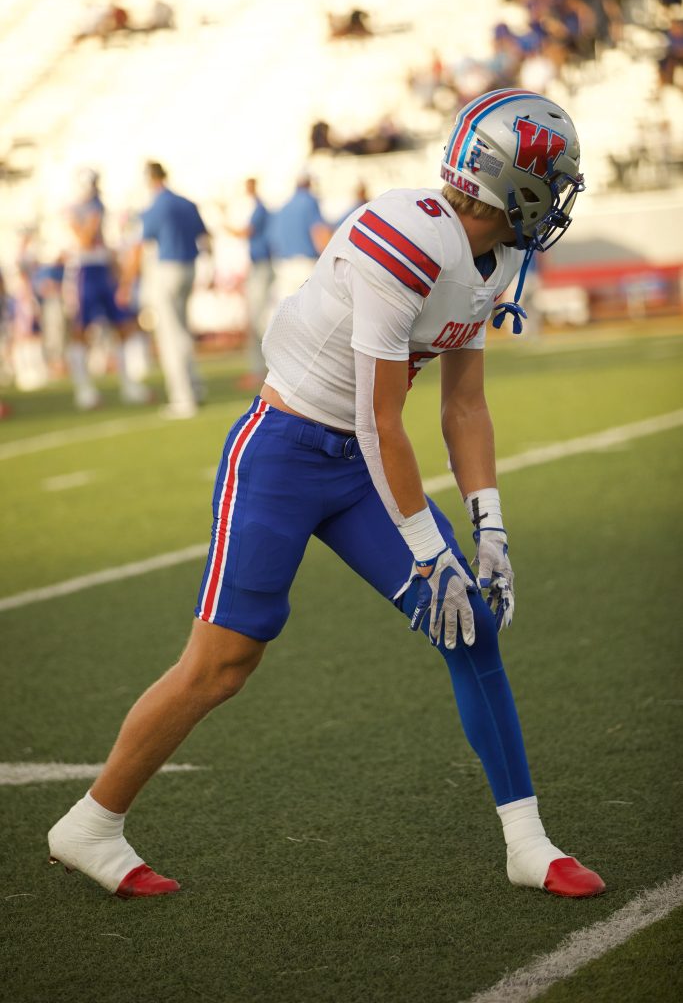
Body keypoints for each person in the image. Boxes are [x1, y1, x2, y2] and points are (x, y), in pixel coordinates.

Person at [48, 89, 605, 901]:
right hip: (284, 452)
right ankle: (90, 824)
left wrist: (489, 528)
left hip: (362, 467)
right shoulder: (405, 235)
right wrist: (429, 551)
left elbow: (462, 404)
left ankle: (526, 842)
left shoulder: (494, 256)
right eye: (550, 182)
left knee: (470, 629)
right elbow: (381, 419)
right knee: (221, 664)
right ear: (512, 184)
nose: (556, 199)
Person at [119, 162, 210, 419]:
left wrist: (126, 283)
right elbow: (204, 237)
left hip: (167, 270)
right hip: (189, 268)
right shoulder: (186, 203)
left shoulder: (156, 206)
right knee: (181, 330)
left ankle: (183, 397)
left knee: (171, 336)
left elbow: (139, 246)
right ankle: (195, 387)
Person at [63, 169, 151, 410]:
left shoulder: (97, 206)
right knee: (81, 329)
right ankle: (84, 390)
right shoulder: (76, 208)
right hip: (84, 271)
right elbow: (84, 240)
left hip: (102, 268)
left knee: (123, 325)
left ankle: (128, 384)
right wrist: (87, 221)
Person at [227, 178, 275, 390]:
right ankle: (261, 370)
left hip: (262, 266)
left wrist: (224, 224)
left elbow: (245, 232)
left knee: (257, 321)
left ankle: (261, 371)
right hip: (259, 266)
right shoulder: (260, 208)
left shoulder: (260, 209)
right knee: (257, 320)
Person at [267, 172, 331, 301]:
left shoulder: (285, 205)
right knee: (310, 308)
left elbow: (273, 238)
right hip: (305, 265)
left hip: (284, 265)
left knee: (287, 308)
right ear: (309, 183)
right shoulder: (309, 201)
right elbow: (319, 232)